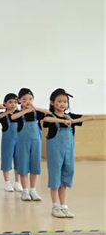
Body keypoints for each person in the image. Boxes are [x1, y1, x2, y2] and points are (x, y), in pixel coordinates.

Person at [43, 88, 101, 218]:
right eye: (59, 101)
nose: (62, 104)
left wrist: (72, 121)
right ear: (52, 102)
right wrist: (62, 121)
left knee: (66, 176)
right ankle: (55, 206)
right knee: (55, 177)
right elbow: (46, 119)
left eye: (65, 102)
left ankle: (64, 206)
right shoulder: (51, 117)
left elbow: (91, 117)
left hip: (68, 153)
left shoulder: (70, 116)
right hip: (55, 153)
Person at [9, 88, 49, 202]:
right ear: (19, 101)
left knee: (35, 166)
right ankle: (25, 190)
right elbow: (12, 117)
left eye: (30, 99)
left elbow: (49, 112)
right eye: (24, 99)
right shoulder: (18, 113)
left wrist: (35, 108)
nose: (28, 101)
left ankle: (33, 190)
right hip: (23, 143)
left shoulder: (37, 113)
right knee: (23, 166)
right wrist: (25, 111)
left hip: (36, 143)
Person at [0, 94, 22, 192]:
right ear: (5, 103)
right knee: (6, 160)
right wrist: (8, 112)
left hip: (19, 140)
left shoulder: (19, 114)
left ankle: (17, 182)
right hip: (7, 141)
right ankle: (7, 182)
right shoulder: (3, 114)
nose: (13, 104)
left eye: (15, 102)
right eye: (10, 102)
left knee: (18, 161)